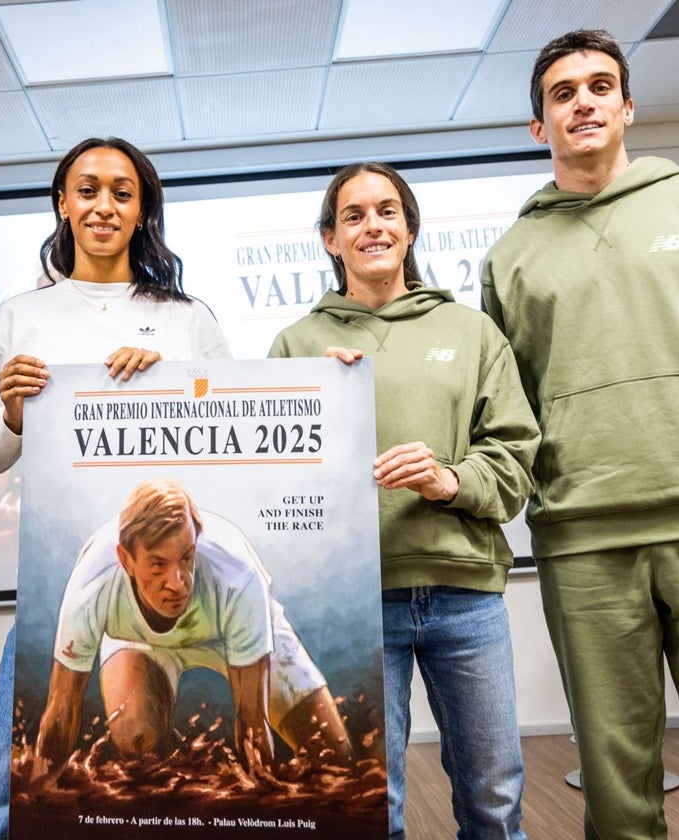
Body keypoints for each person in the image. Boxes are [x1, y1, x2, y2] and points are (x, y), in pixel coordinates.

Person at [481, 29, 679, 839]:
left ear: (627, 107)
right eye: (562, 93)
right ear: (538, 125)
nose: (581, 102)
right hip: (586, 544)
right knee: (617, 787)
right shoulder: (511, 255)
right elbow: (510, 410)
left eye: (597, 87)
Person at [0, 137, 231, 839]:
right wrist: (17, 415)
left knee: (149, 777)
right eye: (86, 189)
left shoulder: (186, 318)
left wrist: (169, 382)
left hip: (167, 569)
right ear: (62, 203)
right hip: (57, 574)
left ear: (143, 210)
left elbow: (230, 439)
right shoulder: (18, 317)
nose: (103, 204)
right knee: (1, 791)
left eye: (121, 191)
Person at [270, 162, 539, 840]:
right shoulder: (298, 346)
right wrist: (321, 406)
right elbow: (273, 485)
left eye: (387, 211)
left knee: (494, 796)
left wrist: (449, 479)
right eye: (353, 216)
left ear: (410, 228)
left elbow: (513, 461)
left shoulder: (472, 331)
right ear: (330, 239)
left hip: (465, 597)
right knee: (368, 807)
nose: (373, 227)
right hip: (356, 603)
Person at [32, 479, 354, 776]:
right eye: (158, 565)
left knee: (335, 759)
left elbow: (252, 725)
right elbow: (61, 710)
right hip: (140, 644)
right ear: (126, 560)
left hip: (232, 630)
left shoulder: (237, 574)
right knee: (136, 745)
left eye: (186, 558)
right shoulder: (93, 580)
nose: (177, 584)